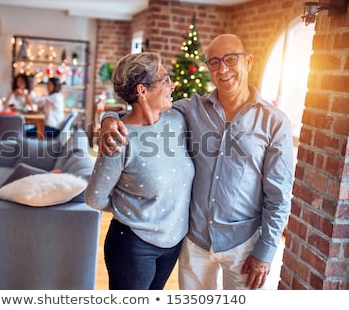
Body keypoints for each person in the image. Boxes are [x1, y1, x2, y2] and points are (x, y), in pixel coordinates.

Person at [99, 33, 294, 290]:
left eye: (231, 59)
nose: (223, 69)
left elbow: (279, 194)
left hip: (244, 246)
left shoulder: (275, 122)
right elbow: (142, 110)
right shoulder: (190, 110)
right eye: (214, 62)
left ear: (249, 61)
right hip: (195, 243)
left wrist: (266, 250)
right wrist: (109, 119)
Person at [85, 52, 195, 290]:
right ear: (141, 90)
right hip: (133, 246)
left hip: (172, 242)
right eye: (164, 79)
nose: (172, 84)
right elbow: (94, 197)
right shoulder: (119, 138)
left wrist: (109, 116)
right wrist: (131, 209)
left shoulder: (176, 120)